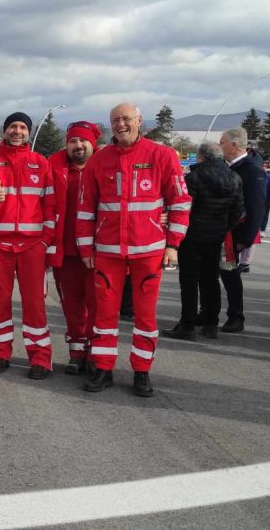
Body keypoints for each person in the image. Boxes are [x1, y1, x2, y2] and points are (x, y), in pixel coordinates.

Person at [77, 102, 190, 397]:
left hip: (148, 250)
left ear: (139, 120)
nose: (121, 124)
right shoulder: (99, 160)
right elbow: (85, 208)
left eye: (126, 119)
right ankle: (103, 368)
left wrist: (173, 245)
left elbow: (179, 203)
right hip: (107, 251)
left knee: (145, 316)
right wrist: (86, 247)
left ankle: (142, 371)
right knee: (104, 314)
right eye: (115, 120)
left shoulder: (162, 155)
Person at [0, 112, 57, 379]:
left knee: (35, 304)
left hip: (33, 245)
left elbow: (50, 207)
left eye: (22, 127)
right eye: (13, 126)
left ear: (28, 133)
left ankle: (41, 359)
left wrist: (45, 241)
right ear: (5, 130)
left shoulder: (40, 163)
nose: (17, 131)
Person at [165, 143, 243, 341]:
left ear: (201, 158)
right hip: (216, 236)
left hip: (192, 236)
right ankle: (211, 323)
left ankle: (187, 324)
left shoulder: (194, 177)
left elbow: (184, 208)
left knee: (189, 281)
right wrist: (224, 228)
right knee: (211, 280)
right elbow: (237, 210)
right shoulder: (235, 177)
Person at [47, 121, 101, 374]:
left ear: (93, 143)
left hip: (100, 251)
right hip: (66, 251)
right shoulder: (54, 168)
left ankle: (96, 352)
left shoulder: (105, 167)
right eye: (72, 141)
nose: (78, 146)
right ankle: (77, 352)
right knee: (72, 305)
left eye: (82, 141)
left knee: (98, 304)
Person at [217, 128, 267, 334]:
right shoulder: (225, 167)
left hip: (235, 234)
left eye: (222, 143)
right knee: (218, 273)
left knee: (230, 274)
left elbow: (257, 207)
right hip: (219, 230)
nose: (220, 147)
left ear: (234, 145)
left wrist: (246, 238)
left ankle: (236, 316)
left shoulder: (251, 170)